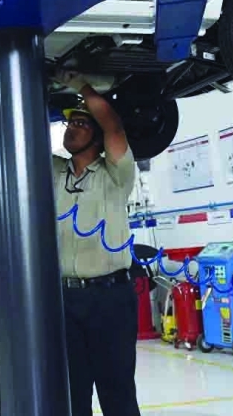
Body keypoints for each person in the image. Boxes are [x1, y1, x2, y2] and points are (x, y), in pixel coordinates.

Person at [54, 71, 141, 416]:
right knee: (72, 391)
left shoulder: (115, 173)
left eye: (80, 124)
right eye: (68, 124)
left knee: (116, 388)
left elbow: (114, 126)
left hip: (110, 298)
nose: (70, 129)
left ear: (97, 136)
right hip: (66, 298)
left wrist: (81, 86)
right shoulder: (52, 171)